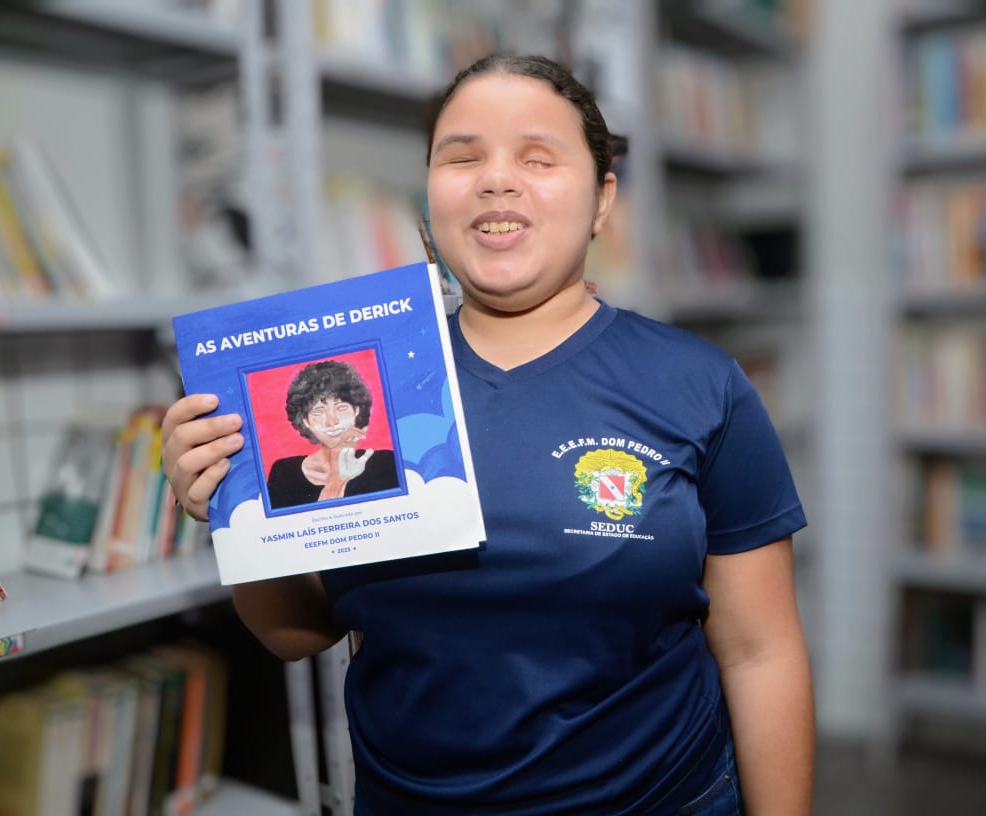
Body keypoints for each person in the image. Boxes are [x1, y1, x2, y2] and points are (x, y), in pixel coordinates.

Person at [162, 54, 814, 816]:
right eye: (462, 156)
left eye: (538, 157)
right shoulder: (361, 391)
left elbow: (760, 652)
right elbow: (293, 632)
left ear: (603, 199)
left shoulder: (700, 384)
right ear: (427, 200)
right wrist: (233, 505)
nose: (496, 180)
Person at [266, 360, 400, 509]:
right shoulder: (284, 473)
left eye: (341, 407)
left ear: (356, 411)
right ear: (305, 421)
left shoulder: (387, 463)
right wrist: (337, 481)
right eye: (318, 411)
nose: (332, 421)